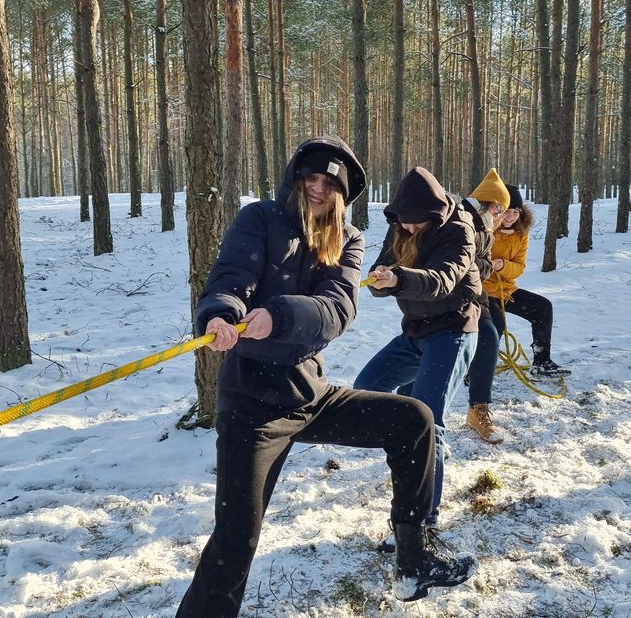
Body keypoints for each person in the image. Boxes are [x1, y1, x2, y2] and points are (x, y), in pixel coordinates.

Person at [177, 138, 475, 617]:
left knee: (414, 420)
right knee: (236, 538)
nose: (316, 189)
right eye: (309, 178)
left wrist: (277, 315)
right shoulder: (258, 219)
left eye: (328, 183)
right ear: (295, 178)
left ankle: (413, 559)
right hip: (252, 402)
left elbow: (338, 308)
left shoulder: (348, 239)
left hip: (307, 392)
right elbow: (231, 276)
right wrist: (220, 313)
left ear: (342, 192)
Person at [353, 166, 481, 529]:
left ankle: (422, 519)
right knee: (367, 390)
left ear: (433, 213)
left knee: (428, 426)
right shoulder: (401, 226)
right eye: (402, 222)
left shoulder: (459, 231)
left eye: (414, 223)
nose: (406, 229)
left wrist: (399, 280)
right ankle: (413, 449)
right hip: (415, 331)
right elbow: (383, 265)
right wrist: (381, 278)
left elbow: (441, 280)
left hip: (454, 331)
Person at [464, 178, 572, 441]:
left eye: (515, 212)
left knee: (542, 308)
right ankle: (473, 370)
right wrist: (493, 265)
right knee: (494, 328)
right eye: (507, 211)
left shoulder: (521, 234)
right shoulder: (487, 229)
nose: (510, 216)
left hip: (506, 289)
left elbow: (519, 266)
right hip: (484, 292)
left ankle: (541, 361)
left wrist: (504, 267)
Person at [461, 169, 513, 445]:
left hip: (474, 294)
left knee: (490, 337)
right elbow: (466, 263)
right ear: (492, 206)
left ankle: (477, 409)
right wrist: (487, 267)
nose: (502, 218)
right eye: (501, 210)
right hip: (454, 296)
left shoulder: (482, 225)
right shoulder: (465, 221)